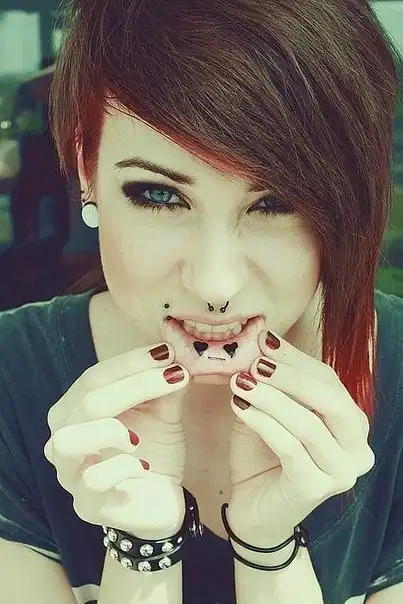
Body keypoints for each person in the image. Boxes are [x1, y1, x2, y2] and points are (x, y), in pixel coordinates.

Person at [0, 1, 402, 603]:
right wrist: (142, 548)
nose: (216, 284)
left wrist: (269, 549)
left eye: (277, 202)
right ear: (87, 168)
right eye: (159, 195)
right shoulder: (10, 380)